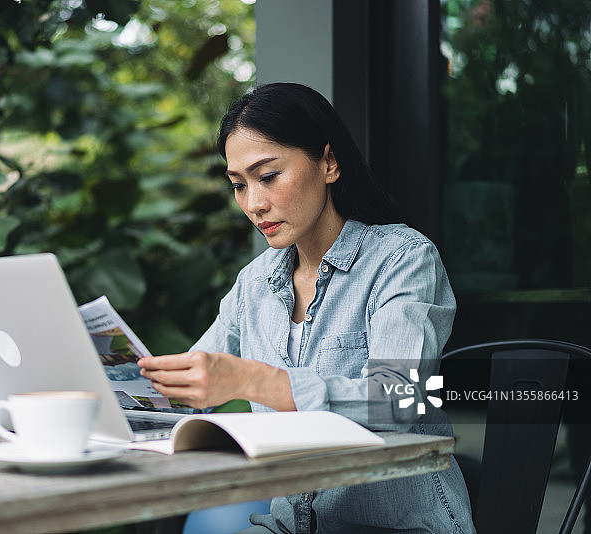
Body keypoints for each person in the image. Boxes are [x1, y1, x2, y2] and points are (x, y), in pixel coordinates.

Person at [137, 82, 475, 533]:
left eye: (269, 176)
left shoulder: (402, 259)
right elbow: (178, 394)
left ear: (329, 163)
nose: (254, 204)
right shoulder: (255, 284)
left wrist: (255, 381)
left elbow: (400, 400)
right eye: (239, 185)